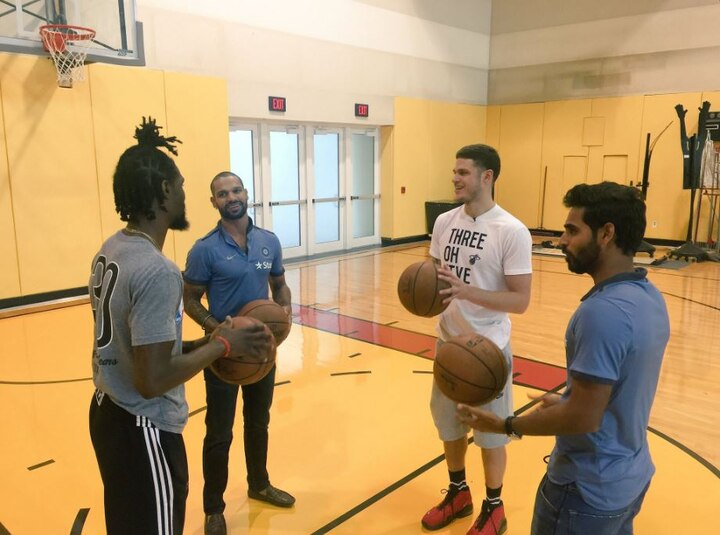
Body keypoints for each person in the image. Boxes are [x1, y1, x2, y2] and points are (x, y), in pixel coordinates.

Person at [89, 118, 273, 535]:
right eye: (182, 184)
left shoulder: (112, 248)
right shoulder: (158, 271)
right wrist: (221, 346)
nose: (186, 193)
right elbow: (153, 378)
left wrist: (203, 341)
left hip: (107, 411)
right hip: (143, 427)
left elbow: (145, 348)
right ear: (164, 193)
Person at [457, 182, 670, 535]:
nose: (561, 240)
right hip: (629, 478)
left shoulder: (601, 313)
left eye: (572, 230)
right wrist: (570, 398)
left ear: (606, 234)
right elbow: (615, 393)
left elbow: (583, 417)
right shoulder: (648, 295)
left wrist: (505, 425)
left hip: (585, 491)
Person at [422, 144, 533, 535]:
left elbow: (520, 301)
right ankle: (458, 492)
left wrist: (467, 293)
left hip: (488, 348)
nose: (455, 178)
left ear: (487, 177)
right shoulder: (444, 222)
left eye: (463, 172)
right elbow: (436, 279)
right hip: (447, 343)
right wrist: (422, 296)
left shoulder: (512, 231)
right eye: (454, 171)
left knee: (489, 431)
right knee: (449, 424)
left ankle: (494, 506)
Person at [183, 171, 295, 535]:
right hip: (224, 356)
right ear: (213, 202)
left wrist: (285, 316)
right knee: (218, 433)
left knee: (258, 421)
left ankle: (259, 484)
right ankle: (213, 508)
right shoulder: (204, 249)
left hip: (262, 352)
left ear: (246, 194)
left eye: (235, 190)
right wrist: (217, 330)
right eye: (221, 193)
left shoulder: (269, 241)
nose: (230, 196)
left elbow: (279, 285)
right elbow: (189, 298)